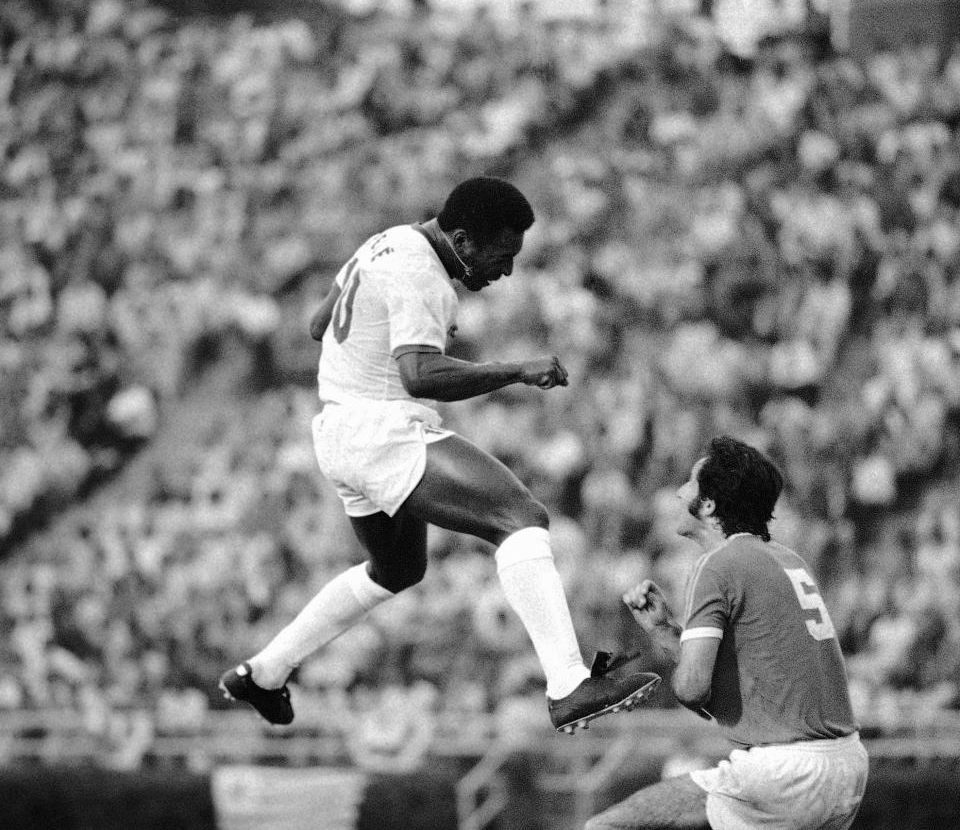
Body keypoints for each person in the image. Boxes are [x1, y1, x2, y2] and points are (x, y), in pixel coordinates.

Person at [219, 176, 658, 733]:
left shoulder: (388, 239)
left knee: (398, 568)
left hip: (338, 430)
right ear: (462, 240)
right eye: (502, 256)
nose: (506, 272)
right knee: (521, 519)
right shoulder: (422, 272)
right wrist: (516, 370)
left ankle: (265, 671)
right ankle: (569, 684)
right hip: (380, 429)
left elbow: (316, 322)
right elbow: (419, 373)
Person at [552, 435, 869, 830]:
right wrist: (668, 630)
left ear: (710, 503)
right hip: (844, 762)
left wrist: (639, 677)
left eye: (688, 483)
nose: (676, 491)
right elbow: (740, 696)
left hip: (791, 767)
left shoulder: (719, 565)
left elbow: (696, 688)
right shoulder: (785, 558)